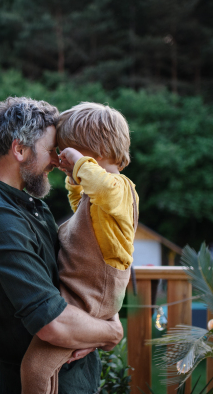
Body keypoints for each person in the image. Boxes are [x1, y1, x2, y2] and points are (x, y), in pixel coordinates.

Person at [0, 97, 124, 394]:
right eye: (51, 151)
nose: (56, 161)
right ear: (20, 149)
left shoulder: (31, 207)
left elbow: (77, 275)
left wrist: (106, 309)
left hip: (72, 377)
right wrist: (110, 331)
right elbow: (51, 322)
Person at [20, 102, 139, 394]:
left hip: (91, 295)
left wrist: (80, 165)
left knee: (34, 368)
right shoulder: (98, 198)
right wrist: (74, 180)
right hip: (80, 293)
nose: (60, 157)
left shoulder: (121, 189)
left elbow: (104, 190)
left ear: (94, 152)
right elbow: (83, 211)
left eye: (67, 151)